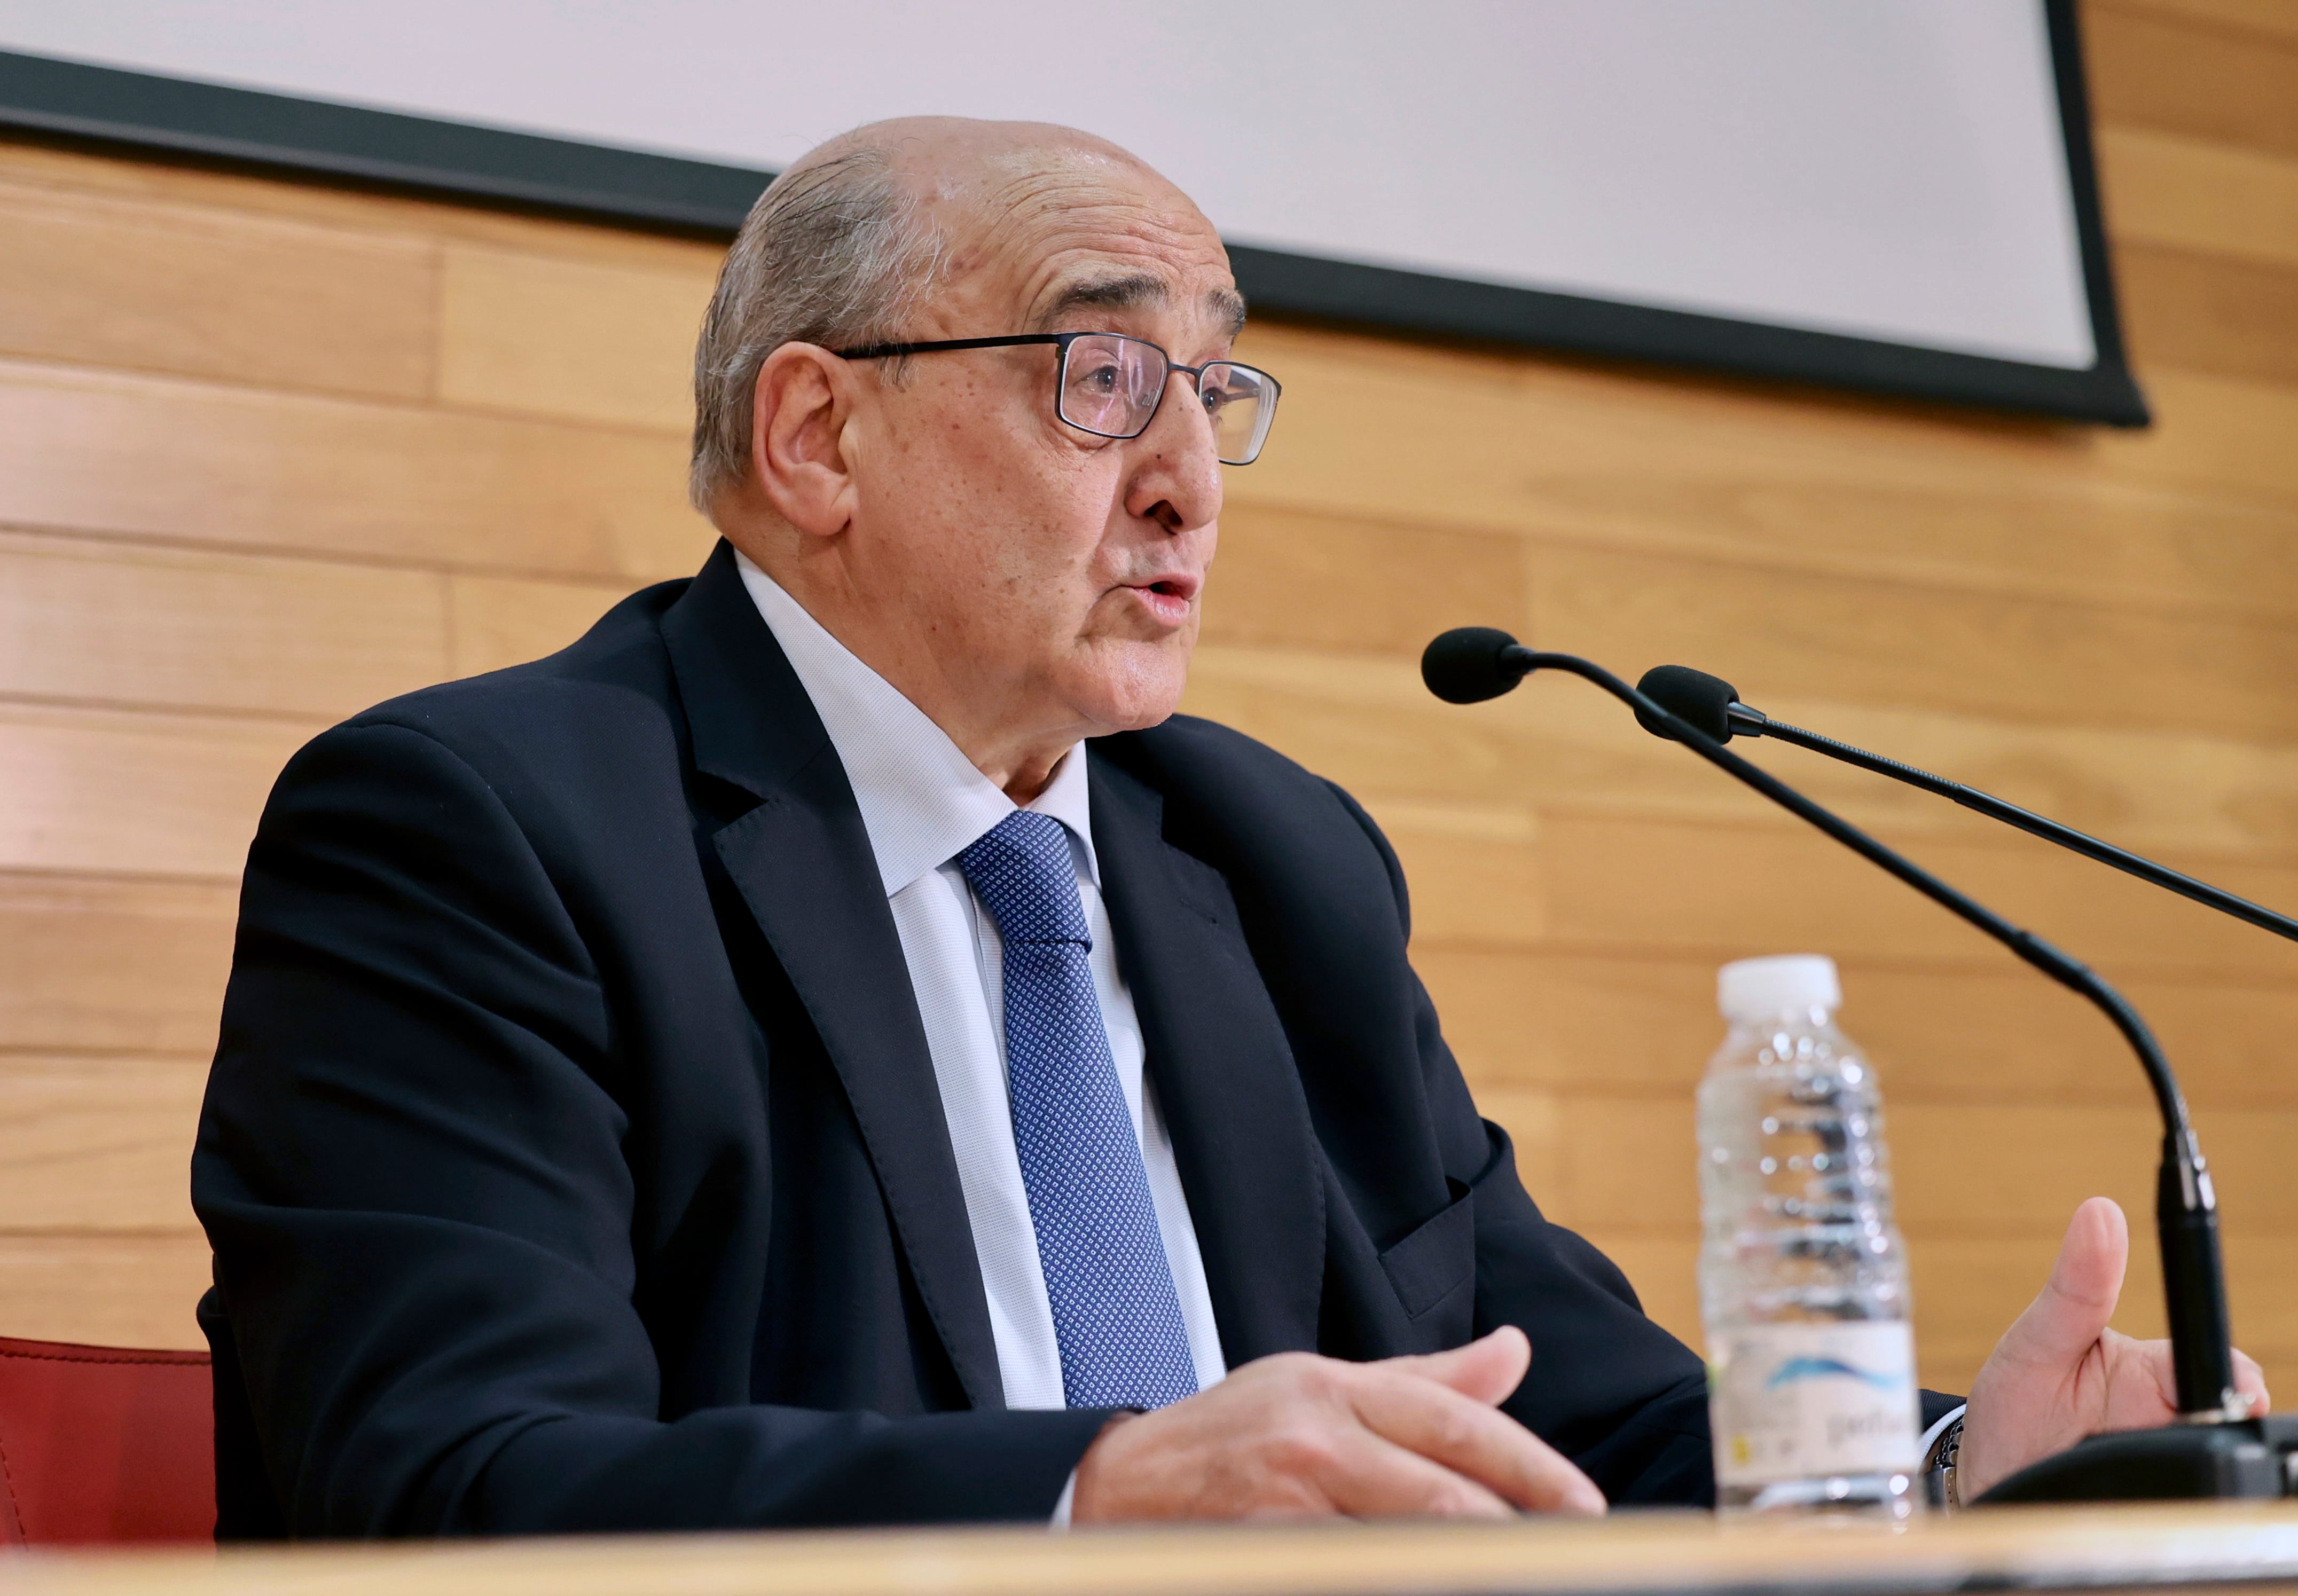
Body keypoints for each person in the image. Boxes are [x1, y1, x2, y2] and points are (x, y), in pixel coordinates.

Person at [192, 117, 2265, 1537]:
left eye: (1217, 390)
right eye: (1102, 376)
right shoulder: (481, 830)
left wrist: (1928, 1466)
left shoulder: (1262, 861)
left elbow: (1561, 1416)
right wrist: (1096, 1493)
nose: (1188, 474)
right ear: (815, 433)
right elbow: (450, 1476)